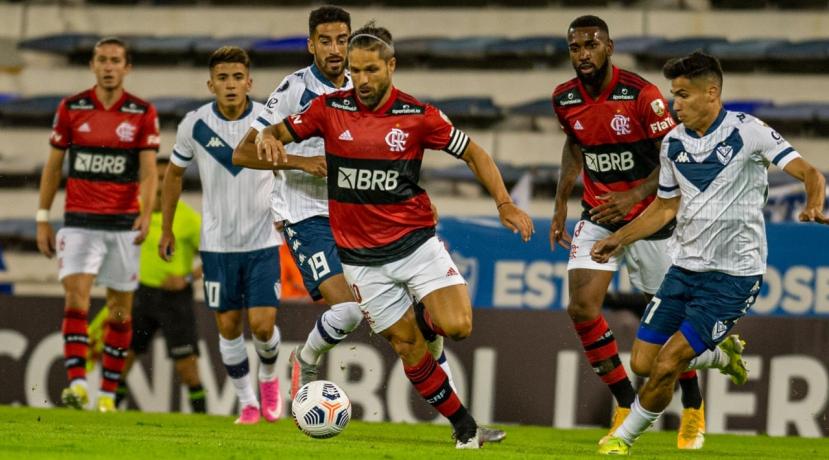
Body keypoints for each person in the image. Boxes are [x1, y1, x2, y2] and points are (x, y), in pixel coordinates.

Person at [237, 22, 533, 449]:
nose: (362, 79)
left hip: (415, 245)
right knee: (407, 346)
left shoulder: (417, 115)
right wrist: (267, 138)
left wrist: (504, 202)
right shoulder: (329, 109)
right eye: (356, 71)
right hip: (361, 260)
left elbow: (474, 152)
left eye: (371, 70)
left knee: (458, 326)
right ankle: (466, 430)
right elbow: (277, 132)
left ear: (391, 66)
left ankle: (426, 322)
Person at [593, 51, 828, 455]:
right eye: (673, 95)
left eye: (682, 95)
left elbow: (809, 172)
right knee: (644, 364)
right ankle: (722, 357)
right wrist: (622, 237)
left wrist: (813, 202)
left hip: (733, 278)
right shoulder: (672, 145)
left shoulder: (748, 131)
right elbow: (666, 207)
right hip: (683, 270)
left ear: (711, 93)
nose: (674, 104)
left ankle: (623, 439)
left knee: (668, 364)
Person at [548, 15, 706, 449]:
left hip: (649, 219)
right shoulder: (564, 98)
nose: (583, 54)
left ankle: (693, 405)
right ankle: (624, 403)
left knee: (669, 318)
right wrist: (562, 201)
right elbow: (574, 144)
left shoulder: (641, 95)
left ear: (609, 47)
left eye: (591, 45)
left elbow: (673, 156)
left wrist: (634, 192)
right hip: (597, 215)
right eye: (575, 47)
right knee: (581, 307)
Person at [159, 46, 283, 425]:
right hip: (217, 247)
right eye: (223, 78)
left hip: (262, 242)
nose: (230, 85)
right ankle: (246, 403)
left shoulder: (269, 119)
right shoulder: (193, 125)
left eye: (237, 77)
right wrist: (166, 228)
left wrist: (284, 213)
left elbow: (286, 171)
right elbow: (174, 175)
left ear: (250, 81)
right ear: (211, 84)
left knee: (262, 326)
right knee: (228, 328)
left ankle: (268, 377)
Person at [36, 37, 159, 412]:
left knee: (120, 312)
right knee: (76, 299)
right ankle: (77, 385)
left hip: (122, 226)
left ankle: (107, 394)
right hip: (79, 224)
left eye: (115, 60)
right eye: (102, 60)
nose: (108, 66)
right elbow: (54, 167)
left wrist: (145, 211)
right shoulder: (72, 107)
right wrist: (43, 217)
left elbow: (150, 173)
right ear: (93, 65)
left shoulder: (141, 112)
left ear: (127, 67)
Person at [114, 157, 206, 413]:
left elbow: (213, 256)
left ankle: (203, 421)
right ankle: (106, 413)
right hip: (140, 295)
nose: (161, 186)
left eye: (167, 179)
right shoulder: (136, 213)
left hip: (174, 300)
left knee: (187, 368)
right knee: (123, 359)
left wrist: (187, 278)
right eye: (158, 179)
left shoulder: (188, 219)